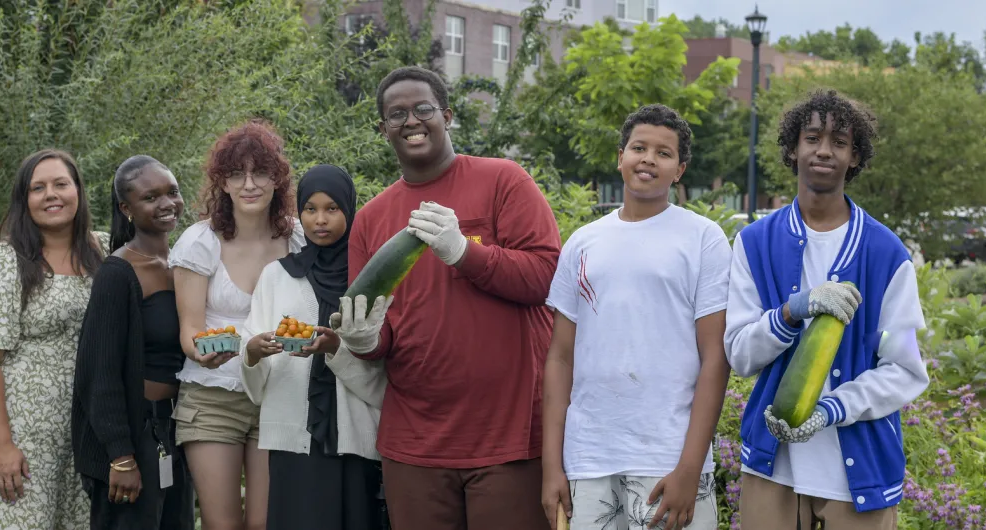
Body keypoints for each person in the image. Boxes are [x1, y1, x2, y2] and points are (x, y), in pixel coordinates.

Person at [341, 65, 561, 530]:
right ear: (383, 130)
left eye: (423, 108)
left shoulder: (504, 180)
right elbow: (381, 332)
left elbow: (546, 278)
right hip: (415, 441)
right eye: (396, 114)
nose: (411, 121)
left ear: (447, 114)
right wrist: (364, 341)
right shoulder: (371, 219)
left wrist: (464, 253)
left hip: (510, 435)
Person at [723, 89, 929, 530]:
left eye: (839, 141)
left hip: (858, 474)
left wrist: (832, 408)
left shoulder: (886, 254)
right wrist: (790, 313)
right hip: (772, 467)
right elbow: (740, 355)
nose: (823, 150)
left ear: (855, 157)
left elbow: (906, 369)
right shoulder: (754, 244)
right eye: (812, 137)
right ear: (793, 148)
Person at [541, 104, 729, 530]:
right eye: (638, 147)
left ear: (679, 170)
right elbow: (560, 358)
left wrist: (690, 467)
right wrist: (553, 465)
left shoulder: (703, 239)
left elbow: (715, 358)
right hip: (587, 458)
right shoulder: (583, 243)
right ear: (619, 156)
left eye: (663, 153)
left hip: (667, 459)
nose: (648, 159)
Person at [0, 148, 108, 529]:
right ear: (24, 201)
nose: (51, 195)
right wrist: (1, 446)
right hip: (18, 430)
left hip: (84, 429)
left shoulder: (104, 252)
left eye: (61, 184)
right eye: (38, 188)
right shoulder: (1, 261)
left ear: (79, 191)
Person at [169, 119, 305, 530]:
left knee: (266, 523)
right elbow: (190, 330)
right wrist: (204, 354)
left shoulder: (297, 238)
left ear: (276, 180)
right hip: (214, 397)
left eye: (260, 172)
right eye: (236, 174)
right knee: (222, 524)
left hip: (277, 393)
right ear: (222, 183)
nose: (249, 184)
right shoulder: (199, 241)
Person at [240, 164, 388, 530]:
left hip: (356, 439)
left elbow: (382, 379)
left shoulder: (369, 279)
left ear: (350, 211)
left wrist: (336, 349)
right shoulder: (277, 276)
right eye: (310, 209)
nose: (320, 220)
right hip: (294, 442)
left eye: (332, 209)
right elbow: (252, 352)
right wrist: (254, 353)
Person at [73, 155, 195, 528]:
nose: (166, 204)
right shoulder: (118, 273)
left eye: (172, 192)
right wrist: (121, 456)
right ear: (126, 208)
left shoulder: (187, 265)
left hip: (182, 428)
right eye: (151, 197)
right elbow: (100, 373)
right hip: (135, 436)